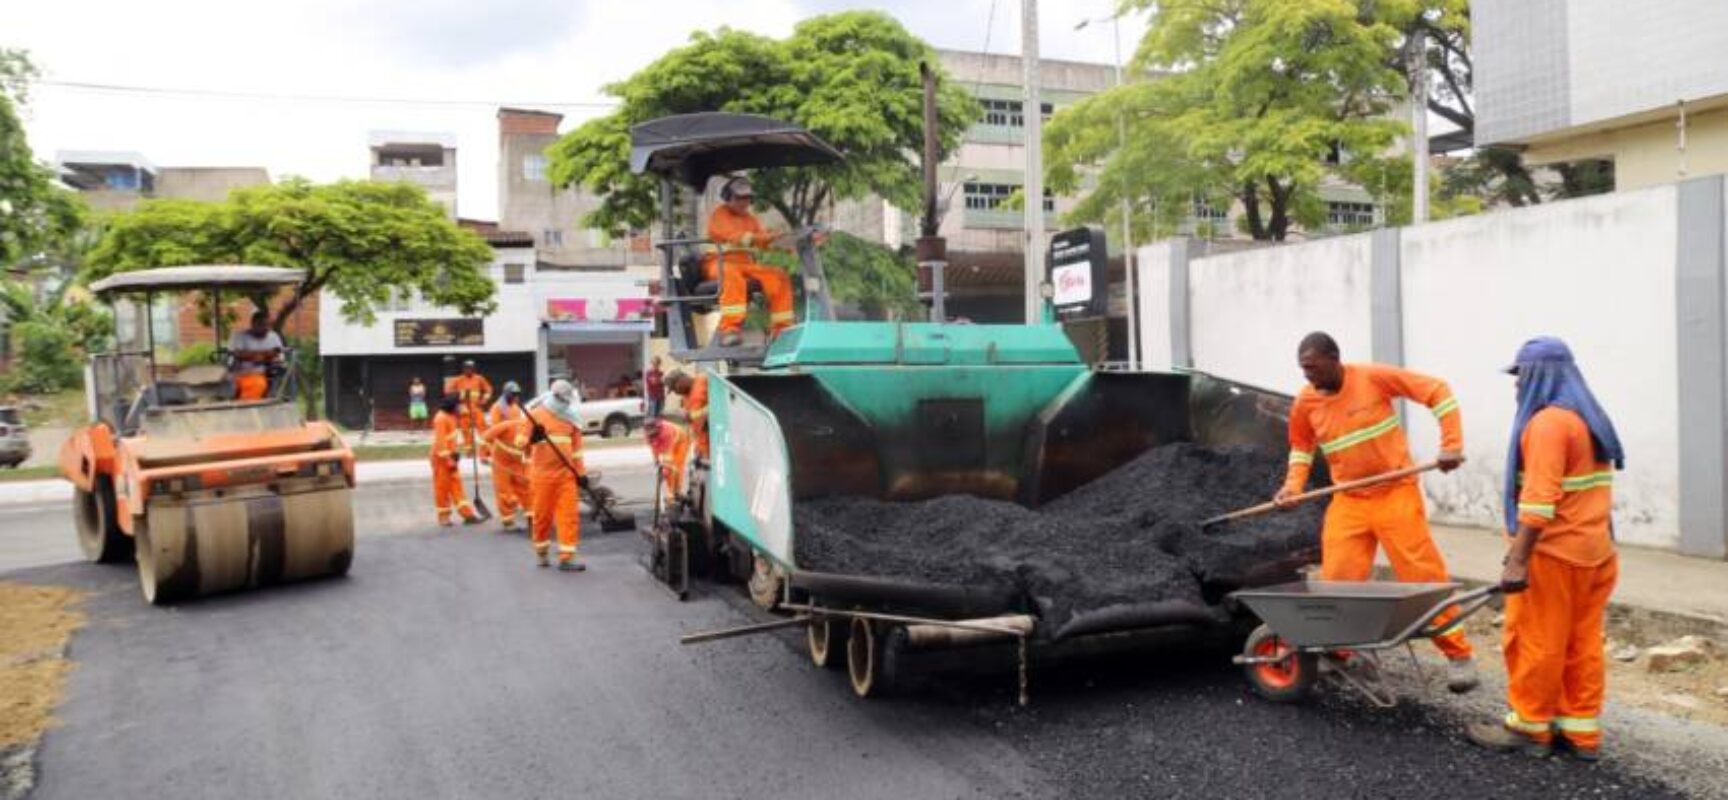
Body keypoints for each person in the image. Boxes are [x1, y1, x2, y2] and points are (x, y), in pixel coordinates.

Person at [1276, 331, 1479, 691]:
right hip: (1349, 500)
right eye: (1303, 370)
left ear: (1335, 358)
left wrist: (1451, 445)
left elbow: (1438, 392)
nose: (1307, 378)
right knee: (1338, 579)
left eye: (1312, 369)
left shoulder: (1372, 378)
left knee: (1422, 575)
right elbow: (1301, 446)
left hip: (1394, 493)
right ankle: (1342, 652)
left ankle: (1459, 655)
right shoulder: (1305, 402)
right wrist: (1293, 486)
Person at [1467, 337, 1624, 761]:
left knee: (1534, 640)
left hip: (1554, 556)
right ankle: (1580, 732)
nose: (1517, 386)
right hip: (1596, 552)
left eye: (1521, 376)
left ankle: (1530, 725)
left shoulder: (1548, 424)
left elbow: (1537, 503)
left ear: (1541, 375)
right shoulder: (1589, 419)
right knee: (1581, 643)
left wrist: (1517, 560)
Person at [703, 176, 794, 347]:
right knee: (731, 274)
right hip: (718, 264)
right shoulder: (719, 216)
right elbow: (740, 238)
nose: (744, 202)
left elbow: (762, 240)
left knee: (779, 276)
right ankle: (730, 328)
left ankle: (781, 330)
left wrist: (786, 243)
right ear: (728, 197)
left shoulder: (750, 219)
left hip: (745, 265)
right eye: (739, 198)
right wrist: (768, 238)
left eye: (747, 198)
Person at [517, 379, 588, 571]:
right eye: (563, 399)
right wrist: (532, 438)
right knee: (542, 516)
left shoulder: (572, 419)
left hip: (566, 476)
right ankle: (542, 553)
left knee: (569, 516)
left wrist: (581, 474)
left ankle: (567, 558)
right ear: (555, 396)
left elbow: (577, 452)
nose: (566, 403)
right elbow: (520, 442)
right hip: (542, 476)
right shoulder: (536, 415)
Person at [430, 395, 482, 526]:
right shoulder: (440, 418)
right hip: (441, 458)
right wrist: (448, 459)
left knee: (457, 486)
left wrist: (455, 454)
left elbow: (465, 416)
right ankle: (444, 517)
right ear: (452, 406)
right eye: (458, 405)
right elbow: (441, 443)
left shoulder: (452, 416)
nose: (460, 407)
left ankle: (467, 515)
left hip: (451, 456)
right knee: (442, 488)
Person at [482, 398, 532, 532]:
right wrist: (484, 455)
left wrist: (528, 467)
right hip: (500, 463)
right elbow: (485, 437)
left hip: (517, 463)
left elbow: (529, 452)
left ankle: (531, 516)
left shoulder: (529, 430)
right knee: (503, 490)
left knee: (525, 488)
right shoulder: (506, 426)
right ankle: (508, 521)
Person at [228, 310, 284, 401]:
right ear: (253, 324)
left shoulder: (274, 336)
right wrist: (266, 354)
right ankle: (246, 409)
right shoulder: (240, 336)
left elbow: (278, 355)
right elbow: (238, 354)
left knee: (282, 379)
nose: (266, 328)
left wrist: (254, 356)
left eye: (268, 325)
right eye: (262, 325)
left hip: (267, 373)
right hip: (242, 373)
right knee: (256, 383)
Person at [445, 359, 493, 451]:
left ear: (474, 369)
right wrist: (458, 398)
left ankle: (486, 450)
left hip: (476, 407)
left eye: (471, 368)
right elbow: (448, 391)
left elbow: (488, 389)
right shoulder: (458, 380)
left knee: (483, 428)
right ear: (463, 369)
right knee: (465, 430)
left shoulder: (479, 378)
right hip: (463, 408)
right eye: (467, 368)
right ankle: (469, 450)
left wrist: (484, 399)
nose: (469, 370)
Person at [645, 417, 691, 502]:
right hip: (670, 443)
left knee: (676, 466)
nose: (649, 433)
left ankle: (677, 491)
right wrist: (656, 461)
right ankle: (671, 493)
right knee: (667, 468)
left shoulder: (666, 432)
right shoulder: (648, 434)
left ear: (657, 428)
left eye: (652, 431)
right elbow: (654, 448)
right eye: (648, 431)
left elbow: (668, 454)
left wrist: (665, 470)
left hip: (681, 442)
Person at [667, 371, 709, 460]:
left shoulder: (704, 381)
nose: (675, 392)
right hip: (703, 449)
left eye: (674, 388)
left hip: (715, 442)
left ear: (681, 381)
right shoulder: (685, 398)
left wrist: (695, 415)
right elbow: (692, 426)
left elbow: (718, 405)